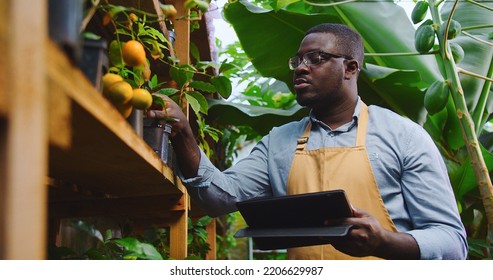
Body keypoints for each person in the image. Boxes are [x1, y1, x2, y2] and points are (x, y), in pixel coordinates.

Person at [147, 23, 468, 260]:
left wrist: (383, 242)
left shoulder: (404, 136)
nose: (300, 67)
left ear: (350, 68)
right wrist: (182, 133)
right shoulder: (279, 143)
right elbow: (218, 199)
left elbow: (452, 242)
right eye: (297, 60)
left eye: (316, 58)